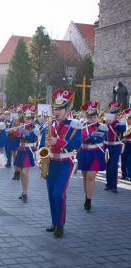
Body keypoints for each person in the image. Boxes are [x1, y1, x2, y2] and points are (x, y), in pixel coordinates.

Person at [39, 89, 82, 237]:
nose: (56, 112)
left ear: (67, 110)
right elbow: (42, 145)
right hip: (50, 161)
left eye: (60, 109)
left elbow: (77, 143)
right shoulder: (48, 124)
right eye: (55, 109)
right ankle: (54, 221)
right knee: (51, 194)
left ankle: (60, 224)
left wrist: (59, 142)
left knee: (59, 193)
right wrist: (41, 155)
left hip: (65, 162)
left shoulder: (75, 124)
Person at [77, 101, 108, 211]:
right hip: (84, 152)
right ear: (87, 118)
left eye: (95, 117)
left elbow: (99, 139)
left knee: (90, 176)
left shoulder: (102, 127)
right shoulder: (82, 126)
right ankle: (87, 196)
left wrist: (89, 138)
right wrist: (90, 137)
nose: (93, 120)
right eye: (91, 118)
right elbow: (81, 138)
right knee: (85, 176)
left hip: (96, 153)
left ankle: (89, 200)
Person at [13, 104, 39, 203]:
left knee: (25, 172)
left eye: (29, 119)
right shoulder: (22, 126)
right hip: (21, 150)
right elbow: (16, 138)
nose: (27, 121)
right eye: (26, 119)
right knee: (21, 172)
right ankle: (23, 192)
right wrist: (13, 133)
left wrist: (20, 134)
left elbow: (31, 138)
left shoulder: (35, 128)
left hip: (29, 150)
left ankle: (26, 192)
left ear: (32, 119)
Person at [104, 101, 126, 192]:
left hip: (116, 147)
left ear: (118, 115)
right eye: (112, 114)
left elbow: (123, 129)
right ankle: (108, 184)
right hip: (107, 147)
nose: (114, 115)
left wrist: (112, 122)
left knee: (114, 166)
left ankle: (114, 185)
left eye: (116, 114)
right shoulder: (105, 123)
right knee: (108, 166)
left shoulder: (120, 123)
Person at [7, 105, 24, 180]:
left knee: (18, 158)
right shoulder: (13, 120)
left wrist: (17, 131)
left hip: (18, 141)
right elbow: (10, 128)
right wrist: (10, 130)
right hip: (12, 140)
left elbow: (23, 132)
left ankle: (19, 173)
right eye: (18, 113)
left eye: (20, 113)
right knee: (14, 157)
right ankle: (16, 172)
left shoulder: (23, 122)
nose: (19, 114)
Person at [121, 108, 131, 181]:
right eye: (128, 119)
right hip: (124, 145)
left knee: (129, 160)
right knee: (123, 160)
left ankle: (129, 175)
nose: (129, 121)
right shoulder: (123, 126)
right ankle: (123, 174)